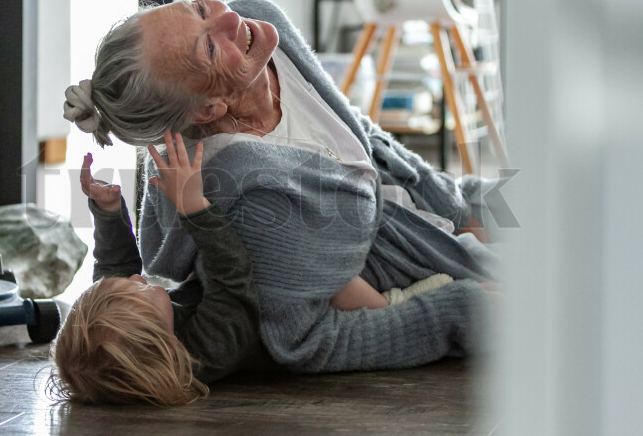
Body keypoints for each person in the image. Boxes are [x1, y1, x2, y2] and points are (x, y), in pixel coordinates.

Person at [62, 0, 496, 377]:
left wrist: (458, 208)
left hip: (432, 202)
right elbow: (306, 341)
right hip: (420, 264)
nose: (229, 19)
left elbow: (363, 137)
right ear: (209, 110)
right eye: (211, 46)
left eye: (197, 8)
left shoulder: (261, 21)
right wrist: (454, 312)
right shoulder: (249, 196)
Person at [49, 133, 391, 406]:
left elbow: (115, 270)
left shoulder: (138, 328)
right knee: (332, 282)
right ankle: (390, 305)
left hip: (230, 294)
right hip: (276, 315)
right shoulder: (209, 350)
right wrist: (193, 206)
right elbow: (232, 277)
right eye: (140, 291)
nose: (138, 278)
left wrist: (106, 210)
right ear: (165, 345)